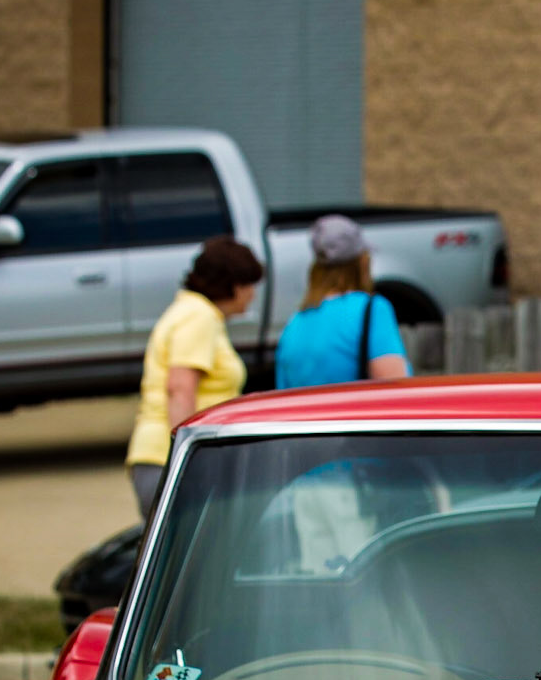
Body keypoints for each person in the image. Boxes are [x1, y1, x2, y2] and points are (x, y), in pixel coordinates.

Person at [125, 236, 264, 518]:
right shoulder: (199, 317)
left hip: (160, 456)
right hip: (170, 458)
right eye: (250, 285)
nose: (253, 294)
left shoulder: (191, 313)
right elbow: (179, 388)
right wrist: (185, 456)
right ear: (235, 286)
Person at [273, 214, 410, 390]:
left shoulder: (295, 321)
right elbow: (394, 386)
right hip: (355, 416)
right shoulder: (373, 309)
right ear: (362, 262)